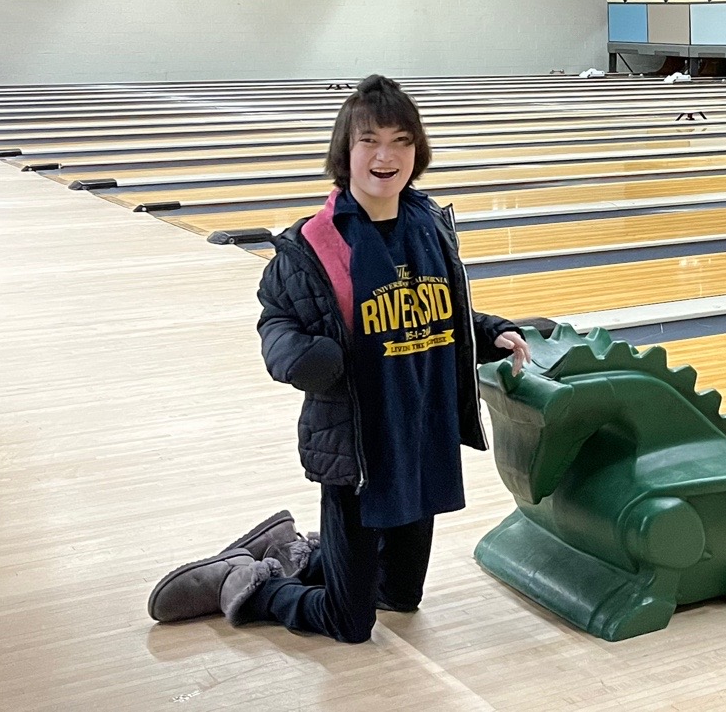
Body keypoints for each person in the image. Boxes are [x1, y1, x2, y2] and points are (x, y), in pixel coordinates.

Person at [148, 74, 531, 642]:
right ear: (344, 152)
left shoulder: (428, 225)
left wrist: (488, 331)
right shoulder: (314, 243)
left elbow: (430, 309)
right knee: (349, 624)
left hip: (419, 433)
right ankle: (247, 582)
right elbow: (276, 321)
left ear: (417, 151)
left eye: (401, 141)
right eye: (369, 140)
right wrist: (305, 357)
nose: (385, 156)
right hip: (357, 448)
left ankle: (297, 552)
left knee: (400, 597)